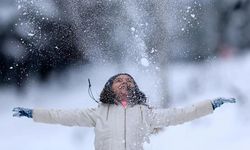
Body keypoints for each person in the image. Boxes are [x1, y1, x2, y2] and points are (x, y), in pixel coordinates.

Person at [12, 73, 236, 150]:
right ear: (109, 87)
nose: (124, 83)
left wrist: (210, 105)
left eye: (129, 80)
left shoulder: (145, 113)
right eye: (118, 80)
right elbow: (61, 115)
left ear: (134, 88)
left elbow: (180, 114)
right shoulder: (98, 112)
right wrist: (33, 113)